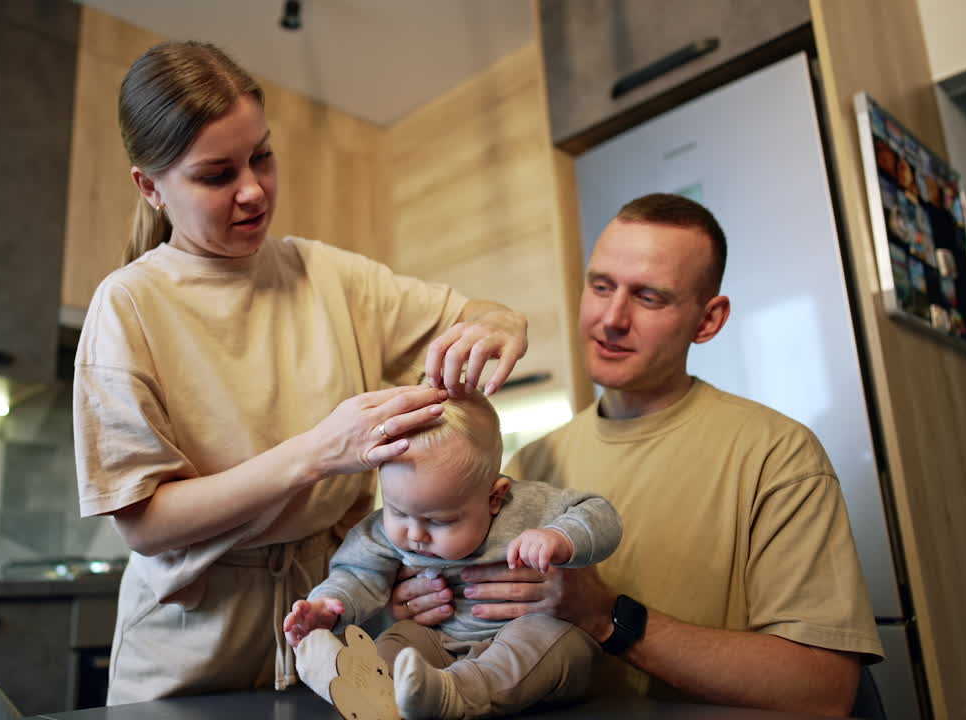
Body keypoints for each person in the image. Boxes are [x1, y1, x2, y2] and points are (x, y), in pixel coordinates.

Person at [72, 40, 529, 705]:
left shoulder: (330, 276)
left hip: (339, 628)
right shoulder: (129, 304)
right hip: (188, 651)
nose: (253, 190)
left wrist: (500, 321)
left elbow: (474, 315)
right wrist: (319, 453)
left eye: (261, 155)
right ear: (151, 187)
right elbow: (144, 522)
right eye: (216, 174)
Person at [389, 193, 885, 718]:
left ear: (708, 320)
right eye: (601, 287)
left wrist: (606, 616)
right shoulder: (530, 465)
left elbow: (824, 689)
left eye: (649, 297)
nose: (611, 319)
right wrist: (427, 604)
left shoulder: (778, 455)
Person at [283, 392, 621, 719]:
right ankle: (360, 683)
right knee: (401, 639)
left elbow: (598, 513)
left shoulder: (527, 508)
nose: (414, 534)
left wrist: (560, 536)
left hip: (522, 643)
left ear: (494, 498)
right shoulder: (385, 533)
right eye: (398, 511)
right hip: (438, 646)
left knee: (550, 639)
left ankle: (452, 696)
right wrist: (327, 605)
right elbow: (358, 574)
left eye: (438, 520)